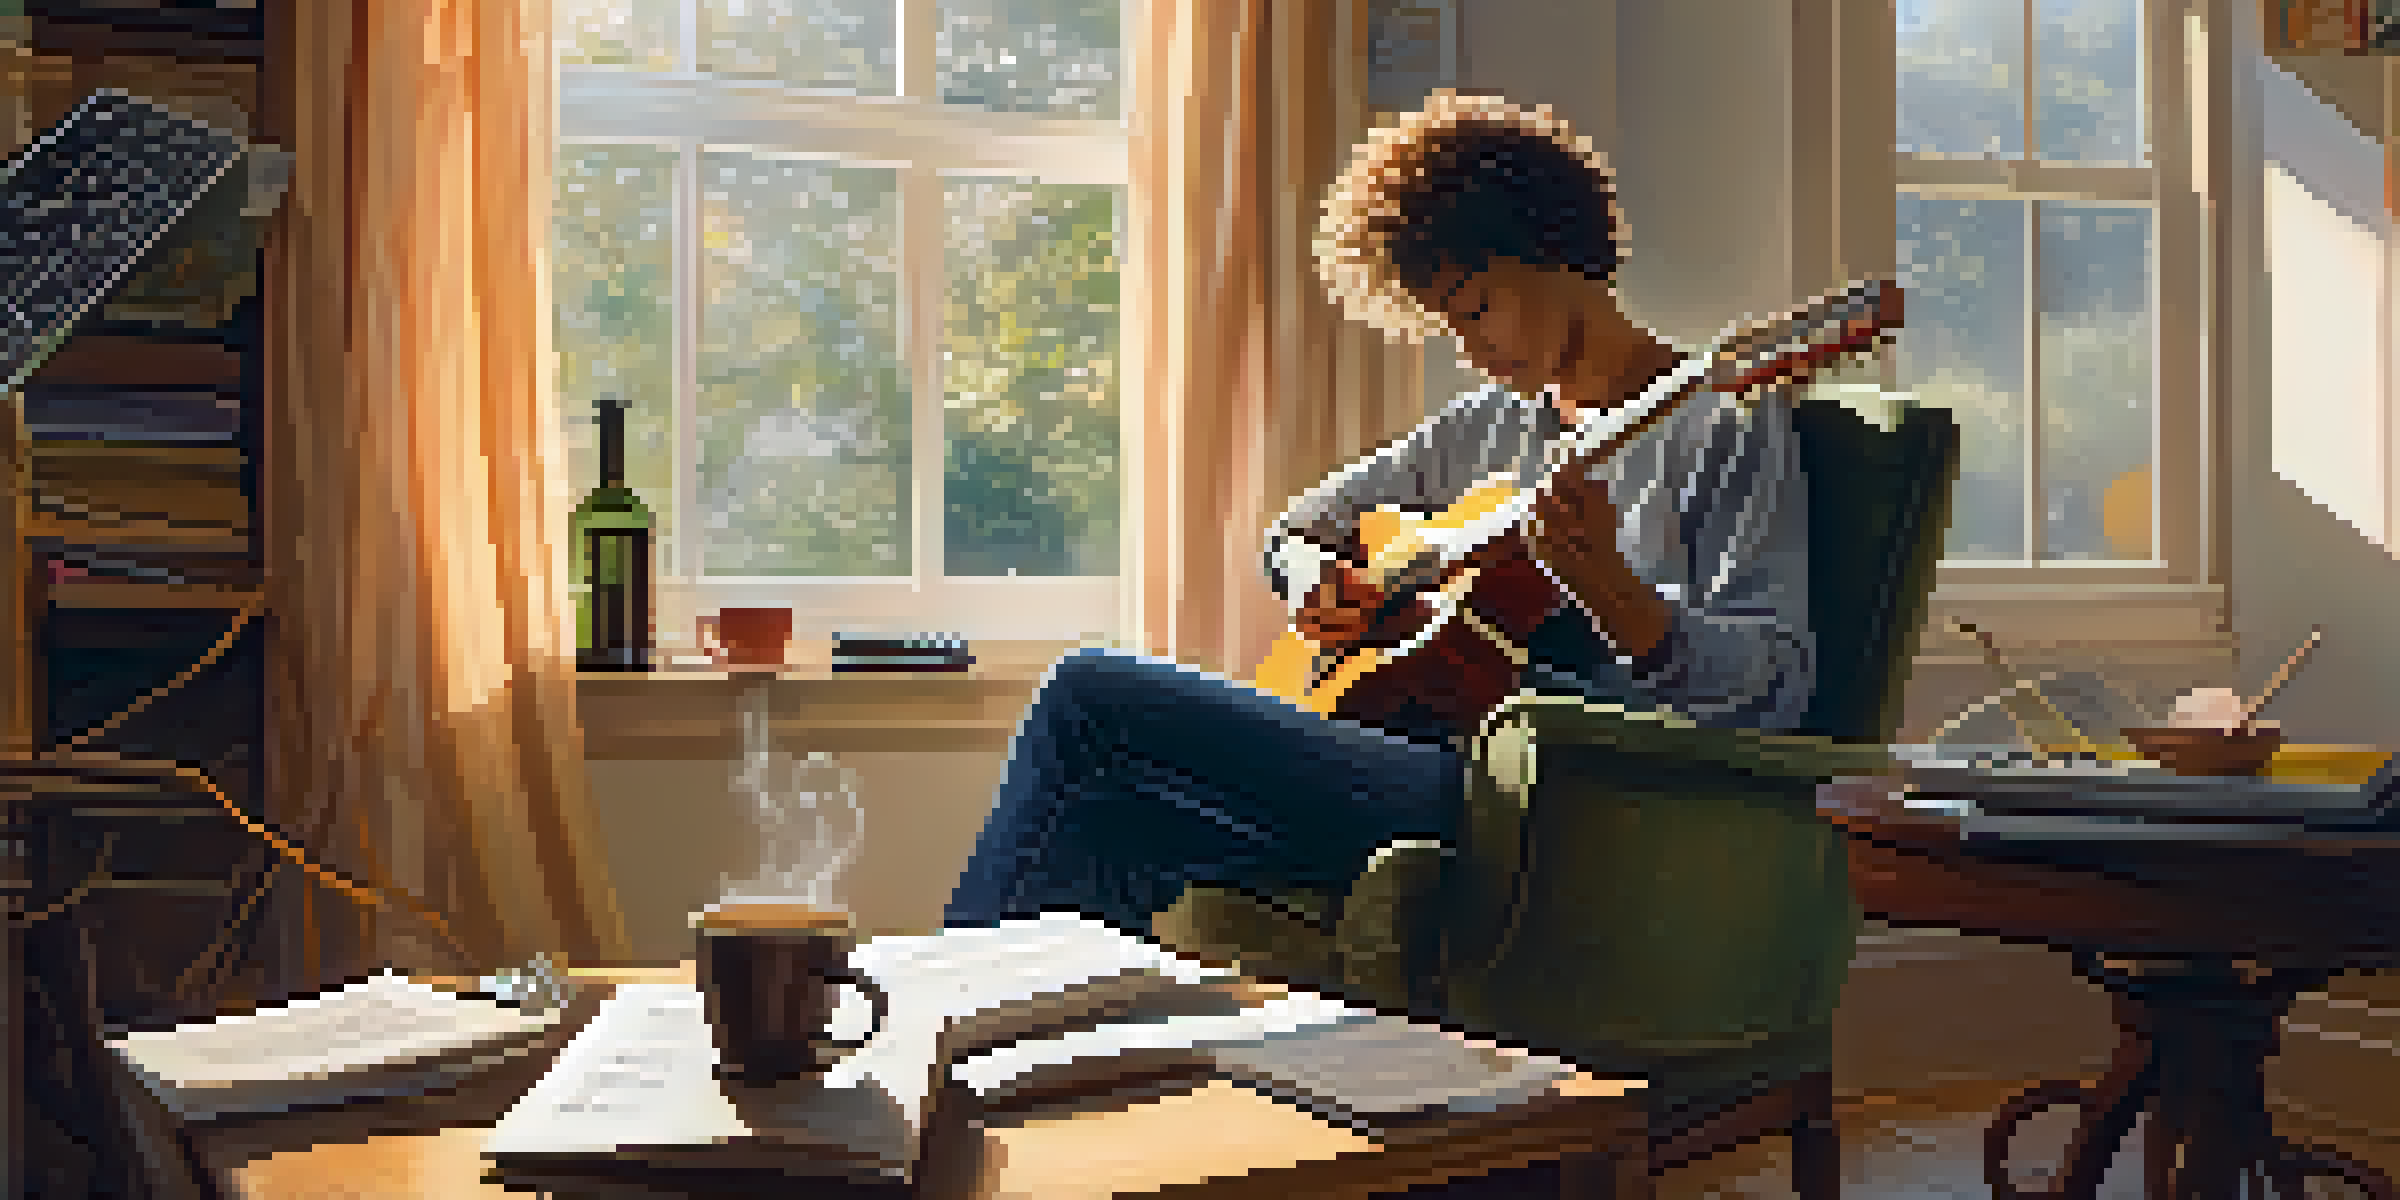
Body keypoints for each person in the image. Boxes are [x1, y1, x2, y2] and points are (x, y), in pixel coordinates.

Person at [943, 90, 1813, 940]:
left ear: (1556, 247)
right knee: (1107, 822)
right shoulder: (1490, 427)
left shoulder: (1727, 424)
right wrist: (1312, 575)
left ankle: (931, 1019)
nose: (1472, 350)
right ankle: (1015, 1069)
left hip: (1561, 798)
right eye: (1450, 327)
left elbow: (1779, 686)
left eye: (1477, 308)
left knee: (1091, 693)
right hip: (1419, 758)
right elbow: (1300, 527)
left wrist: (1617, 596)